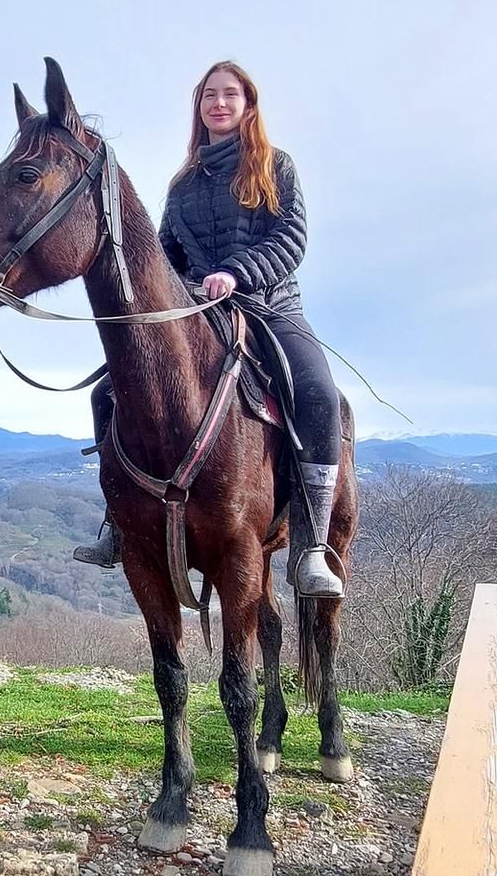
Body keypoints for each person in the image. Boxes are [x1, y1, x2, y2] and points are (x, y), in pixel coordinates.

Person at [73, 61, 345, 597]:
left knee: (319, 393)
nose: (218, 104)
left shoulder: (274, 166)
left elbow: (292, 239)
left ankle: (312, 546)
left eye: (229, 95)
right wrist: (178, 289)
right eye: (208, 97)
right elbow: (165, 253)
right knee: (109, 390)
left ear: (248, 104)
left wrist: (236, 273)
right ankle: (118, 521)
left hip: (270, 307)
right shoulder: (184, 183)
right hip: (199, 313)